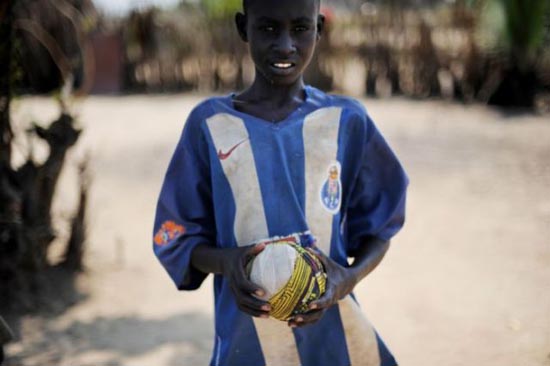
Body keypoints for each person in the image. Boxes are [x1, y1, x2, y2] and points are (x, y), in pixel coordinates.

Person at [152, 0, 408, 364]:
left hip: (335, 344)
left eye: (301, 29)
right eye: (269, 28)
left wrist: (346, 280)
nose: (286, 45)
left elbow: (381, 228)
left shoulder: (346, 121)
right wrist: (229, 263)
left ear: (319, 28)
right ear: (244, 28)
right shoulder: (209, 125)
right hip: (247, 345)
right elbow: (174, 234)